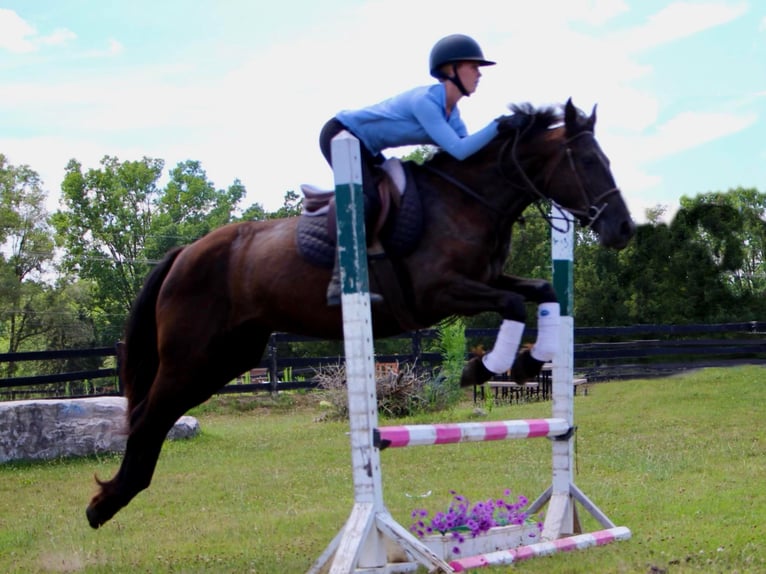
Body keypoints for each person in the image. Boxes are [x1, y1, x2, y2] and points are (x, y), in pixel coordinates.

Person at [320, 33, 501, 306]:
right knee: (365, 199)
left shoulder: (452, 114)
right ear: (451, 70)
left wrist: (502, 137)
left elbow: (466, 156)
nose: (479, 74)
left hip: (367, 148)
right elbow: (459, 149)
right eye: (473, 67)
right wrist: (500, 125)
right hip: (342, 135)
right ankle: (340, 283)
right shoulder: (426, 102)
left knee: (394, 196)